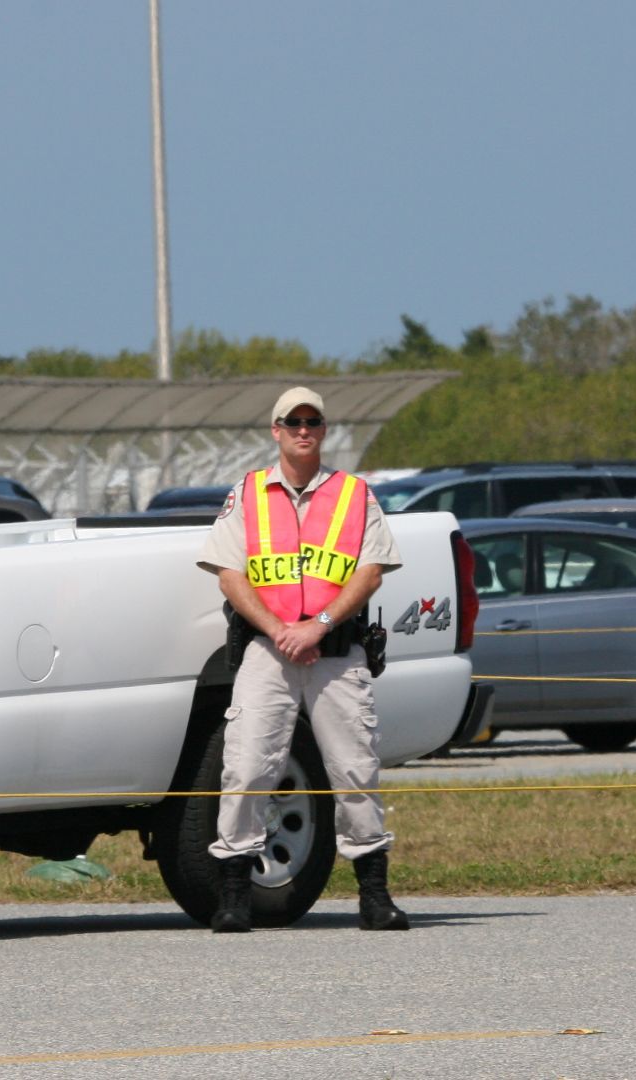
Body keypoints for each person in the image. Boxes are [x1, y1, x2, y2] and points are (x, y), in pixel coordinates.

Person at [194, 387, 410, 933]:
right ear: (276, 429)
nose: (304, 429)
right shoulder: (247, 493)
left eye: (313, 421)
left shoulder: (355, 494)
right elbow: (228, 573)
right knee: (245, 768)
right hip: (269, 650)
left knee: (355, 770)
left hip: (336, 650)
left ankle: (374, 895)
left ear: (323, 429)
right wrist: (279, 631)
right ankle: (235, 896)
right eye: (293, 421)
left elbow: (371, 571)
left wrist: (320, 625)